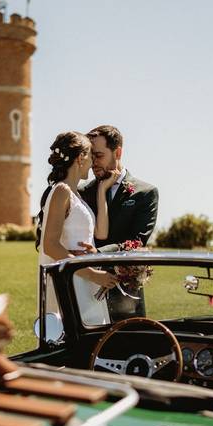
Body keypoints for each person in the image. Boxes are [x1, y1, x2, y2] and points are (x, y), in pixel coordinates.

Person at [36, 131, 119, 325]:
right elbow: (50, 245)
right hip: (72, 281)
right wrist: (93, 274)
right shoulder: (61, 191)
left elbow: (101, 233)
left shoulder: (76, 194)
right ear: (81, 158)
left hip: (84, 281)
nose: (93, 162)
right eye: (91, 156)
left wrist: (102, 190)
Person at [80, 125, 159, 319]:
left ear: (118, 152)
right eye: (91, 157)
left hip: (126, 292)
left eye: (98, 156)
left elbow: (137, 241)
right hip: (85, 284)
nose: (93, 163)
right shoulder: (82, 193)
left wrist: (98, 254)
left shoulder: (145, 192)